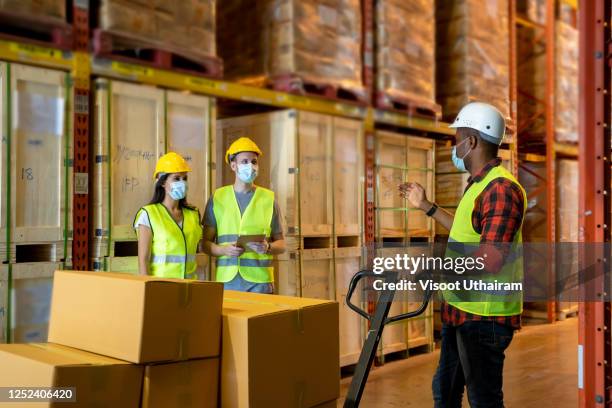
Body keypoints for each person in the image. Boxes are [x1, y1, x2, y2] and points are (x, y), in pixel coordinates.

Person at [400, 102, 527, 407]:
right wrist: (427, 206)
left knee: (484, 400)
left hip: (484, 317)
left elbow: (491, 259)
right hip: (462, 311)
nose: (453, 147)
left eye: (456, 139)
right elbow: (464, 229)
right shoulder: (479, 185)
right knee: (445, 391)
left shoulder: (500, 189)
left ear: (471, 142)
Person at [201, 137, 286, 293]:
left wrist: (267, 248)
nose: (251, 166)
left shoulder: (269, 199)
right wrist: (224, 250)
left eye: (254, 162)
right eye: (245, 161)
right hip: (227, 282)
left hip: (260, 283)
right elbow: (205, 243)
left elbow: (281, 244)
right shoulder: (218, 198)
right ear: (234, 166)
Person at [133, 152, 203, 279]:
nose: (182, 183)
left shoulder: (193, 214)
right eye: (176, 178)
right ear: (163, 182)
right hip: (162, 288)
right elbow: (143, 260)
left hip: (189, 287)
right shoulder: (148, 214)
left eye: (185, 178)